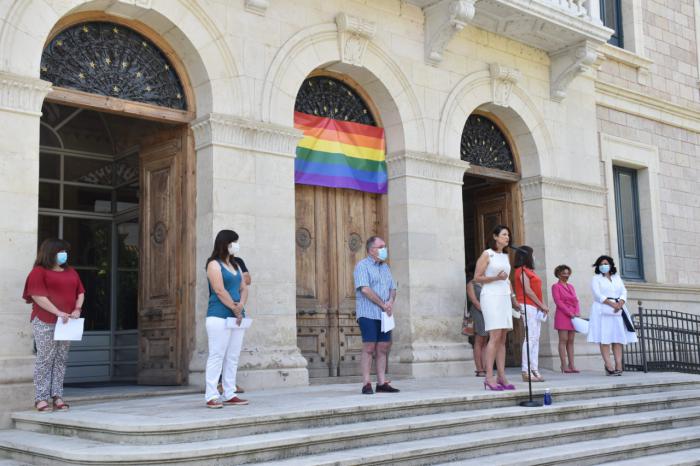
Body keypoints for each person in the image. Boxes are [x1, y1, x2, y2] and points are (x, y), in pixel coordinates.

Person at [22, 238, 85, 412]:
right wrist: (58, 312)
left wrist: (77, 309)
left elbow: (80, 292)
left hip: (67, 323)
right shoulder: (38, 272)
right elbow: (37, 295)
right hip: (45, 320)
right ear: (51, 252)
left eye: (65, 251)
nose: (64, 254)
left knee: (60, 359)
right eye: (61, 251)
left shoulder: (71, 271)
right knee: (45, 359)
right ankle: (41, 398)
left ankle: (57, 396)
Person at [204, 230, 249, 408]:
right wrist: (234, 308)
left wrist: (240, 306)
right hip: (219, 315)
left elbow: (244, 287)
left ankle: (229, 392)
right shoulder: (213, 264)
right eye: (234, 242)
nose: (236, 245)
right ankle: (211, 395)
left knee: (233, 356)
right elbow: (219, 290)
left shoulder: (236, 264)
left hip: (237, 316)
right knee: (217, 355)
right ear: (225, 243)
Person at [474, 225, 520, 391]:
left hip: (504, 297)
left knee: (502, 338)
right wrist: (495, 277)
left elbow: (507, 280)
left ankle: (501, 375)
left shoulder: (506, 256)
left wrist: (514, 299)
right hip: (491, 296)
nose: (507, 237)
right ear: (495, 236)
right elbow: (477, 278)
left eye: (508, 234)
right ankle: (488, 377)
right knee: (494, 336)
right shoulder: (487, 254)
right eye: (504, 234)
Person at [354, 236, 399, 395]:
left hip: (384, 315)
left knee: (383, 347)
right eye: (381, 246)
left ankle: (381, 383)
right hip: (368, 313)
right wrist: (382, 304)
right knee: (369, 346)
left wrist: (390, 302)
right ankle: (366, 383)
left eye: (384, 246)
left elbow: (393, 288)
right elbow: (364, 289)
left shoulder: (385, 268)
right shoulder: (362, 266)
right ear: (372, 249)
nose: (384, 249)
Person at [587, 255, 637, 376]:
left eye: (606, 263)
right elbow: (597, 294)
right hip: (603, 310)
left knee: (618, 338)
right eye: (601, 264)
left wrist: (620, 302)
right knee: (605, 338)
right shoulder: (596, 278)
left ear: (610, 264)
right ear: (598, 266)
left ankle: (618, 364)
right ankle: (608, 365)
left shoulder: (617, 277)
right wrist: (611, 304)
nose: (604, 266)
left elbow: (624, 291)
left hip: (618, 310)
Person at [513, 246, 549, 382]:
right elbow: (527, 290)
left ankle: (534, 368)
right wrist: (541, 305)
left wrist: (541, 305)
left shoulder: (530, 271)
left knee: (535, 338)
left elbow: (537, 290)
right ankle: (525, 370)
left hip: (535, 306)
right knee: (530, 338)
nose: (533, 257)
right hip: (527, 305)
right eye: (532, 254)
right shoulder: (521, 271)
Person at [552, 264, 580, 373]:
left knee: (571, 341)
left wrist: (577, 312)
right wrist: (569, 313)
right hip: (563, 315)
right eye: (564, 273)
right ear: (558, 274)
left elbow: (576, 300)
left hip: (573, 316)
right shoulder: (556, 286)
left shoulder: (571, 286)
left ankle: (572, 365)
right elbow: (558, 301)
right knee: (563, 340)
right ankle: (564, 365)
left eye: (568, 273)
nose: (566, 275)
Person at [466, 263, 488, 377]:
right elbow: (474, 301)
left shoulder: (486, 282)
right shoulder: (471, 284)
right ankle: (479, 369)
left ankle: (485, 368)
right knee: (479, 341)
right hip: (478, 313)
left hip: (488, 313)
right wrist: (486, 311)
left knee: (485, 341)